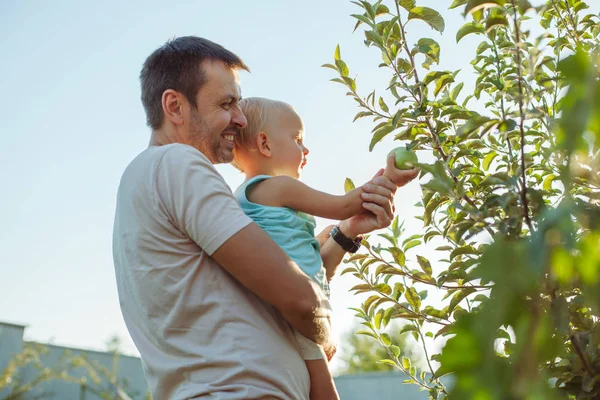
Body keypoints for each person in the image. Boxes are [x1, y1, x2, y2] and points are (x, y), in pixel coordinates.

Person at [112, 36, 417, 400]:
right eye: (226, 104)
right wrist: (324, 332)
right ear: (175, 107)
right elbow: (301, 300)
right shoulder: (175, 164)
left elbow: (290, 270)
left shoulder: (151, 180)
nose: (239, 119)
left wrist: (347, 232)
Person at [232, 97, 418, 400]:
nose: (306, 150)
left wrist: (347, 229)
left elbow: (310, 248)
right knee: (323, 387)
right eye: (297, 139)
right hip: (293, 311)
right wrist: (390, 179)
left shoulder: (253, 199)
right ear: (264, 144)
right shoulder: (279, 187)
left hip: (279, 310)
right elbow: (343, 205)